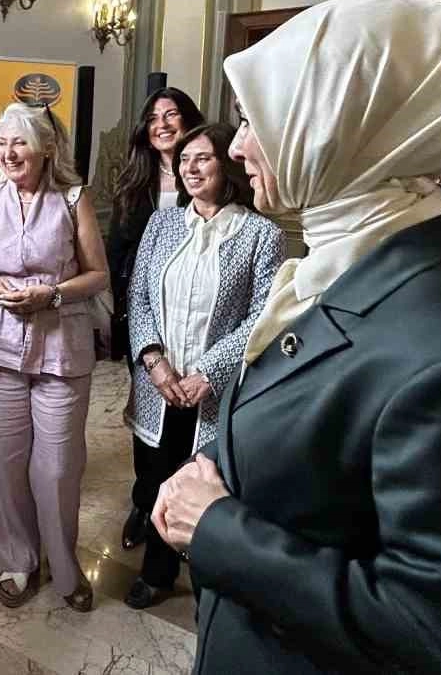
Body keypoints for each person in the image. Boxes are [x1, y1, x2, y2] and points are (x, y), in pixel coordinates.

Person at [153, 0, 441, 674]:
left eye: (256, 119)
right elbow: (324, 440)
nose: (239, 145)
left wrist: (218, 529)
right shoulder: (345, 261)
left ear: (337, 129)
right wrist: (216, 467)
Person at [121, 122, 283, 609]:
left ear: (227, 165)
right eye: (184, 160)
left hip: (215, 391)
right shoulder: (162, 223)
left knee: (208, 486)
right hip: (158, 385)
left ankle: (210, 588)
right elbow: (139, 294)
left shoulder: (261, 234)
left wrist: (209, 372)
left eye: (202, 158)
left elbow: (263, 316)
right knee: (156, 480)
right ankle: (157, 572)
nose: (189, 169)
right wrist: (154, 361)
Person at [0, 102, 109, 612]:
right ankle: (18, 562)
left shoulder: (73, 199)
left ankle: (64, 568)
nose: (7, 153)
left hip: (61, 347)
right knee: (5, 465)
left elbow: (98, 275)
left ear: (46, 148)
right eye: (1, 144)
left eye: (18, 143)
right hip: (0, 344)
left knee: (57, 467)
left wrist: (51, 295)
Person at [105, 87, 205, 550]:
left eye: (172, 115)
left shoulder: (208, 176)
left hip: (198, 312)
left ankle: (183, 509)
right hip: (143, 313)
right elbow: (116, 251)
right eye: (153, 118)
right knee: (148, 414)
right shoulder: (135, 182)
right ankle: (145, 502)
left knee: (189, 418)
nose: (161, 124)